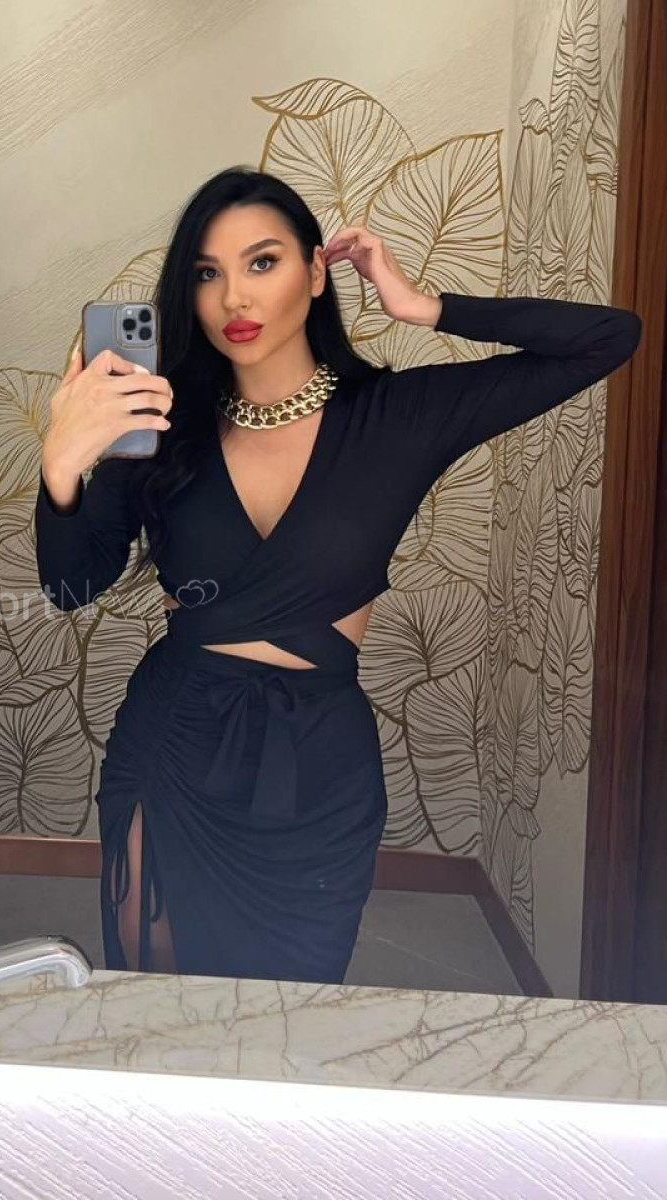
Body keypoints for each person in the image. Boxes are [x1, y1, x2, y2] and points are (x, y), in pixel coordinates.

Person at [34, 167, 641, 984]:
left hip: (320, 759)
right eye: (207, 273)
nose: (234, 298)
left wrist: (424, 306)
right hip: (174, 742)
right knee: (159, 1001)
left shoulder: (399, 416)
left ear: (317, 272)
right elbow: (71, 587)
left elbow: (610, 336)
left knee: (295, 1010)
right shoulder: (161, 426)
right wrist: (62, 467)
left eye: (262, 262)